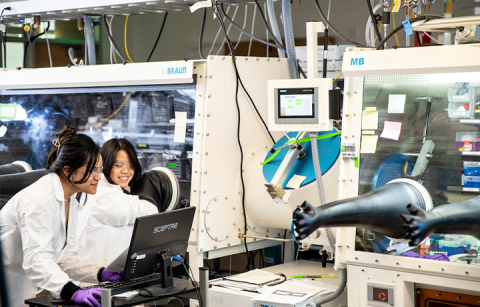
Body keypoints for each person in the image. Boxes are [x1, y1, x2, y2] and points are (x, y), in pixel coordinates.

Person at [0, 127, 121, 307]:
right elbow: (37, 260)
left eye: (100, 169)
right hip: (10, 287)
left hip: (32, 288)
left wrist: (99, 273)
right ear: (67, 171)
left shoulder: (70, 198)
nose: (98, 177)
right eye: (92, 170)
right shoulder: (41, 199)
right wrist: (72, 291)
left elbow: (63, 257)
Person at [76, 138, 158, 267]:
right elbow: (149, 211)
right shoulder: (103, 194)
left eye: (131, 165)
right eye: (118, 165)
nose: (126, 171)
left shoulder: (104, 186)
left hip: (105, 272)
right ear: (106, 164)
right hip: (95, 278)